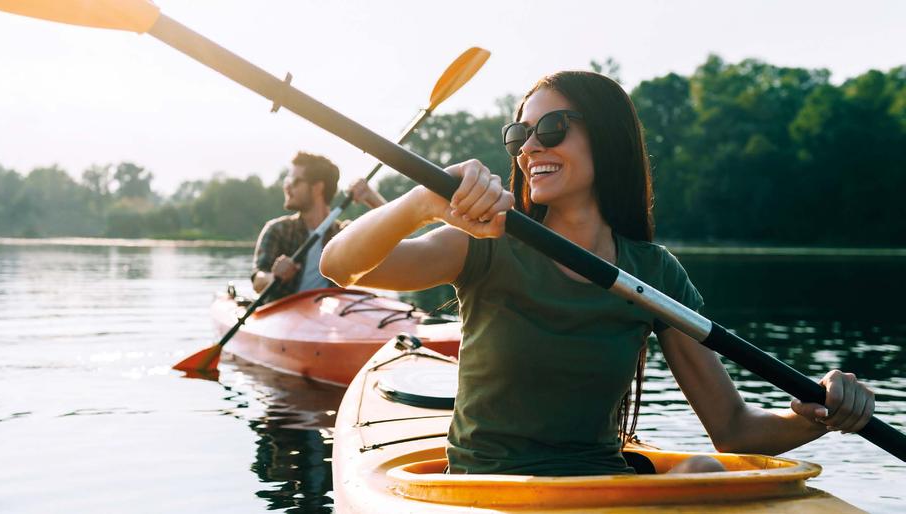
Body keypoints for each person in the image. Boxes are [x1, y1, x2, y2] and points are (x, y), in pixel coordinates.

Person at [319, 71, 875, 476]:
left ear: (606, 137)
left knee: (703, 470)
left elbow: (732, 428)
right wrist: (421, 201)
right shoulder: (485, 243)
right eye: (520, 136)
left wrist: (821, 414)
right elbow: (339, 265)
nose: (531, 146)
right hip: (487, 491)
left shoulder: (654, 274)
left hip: (600, 487)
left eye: (553, 128)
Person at [251, 151, 385, 304]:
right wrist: (273, 277)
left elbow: (395, 235)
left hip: (328, 318)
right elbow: (257, 281)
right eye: (287, 181)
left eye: (294, 181)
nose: (287, 187)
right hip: (282, 315)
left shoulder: (344, 234)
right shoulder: (277, 230)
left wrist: (371, 197)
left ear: (317, 188)